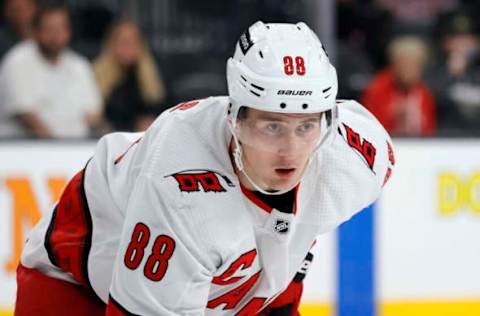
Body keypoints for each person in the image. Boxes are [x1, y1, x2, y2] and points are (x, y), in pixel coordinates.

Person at [15, 21, 395, 315]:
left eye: (306, 126)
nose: (290, 151)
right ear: (236, 120)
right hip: (75, 281)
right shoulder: (181, 190)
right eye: (271, 126)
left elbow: (291, 236)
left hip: (225, 288)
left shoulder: (354, 158)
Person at [0, 1, 101, 139]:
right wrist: (58, 147)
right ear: (35, 31)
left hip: (75, 150)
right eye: (49, 29)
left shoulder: (80, 65)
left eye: (60, 29)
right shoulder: (17, 61)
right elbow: (26, 117)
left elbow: (93, 115)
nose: (55, 36)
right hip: (23, 150)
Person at [93, 19, 166, 132]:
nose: (127, 47)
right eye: (123, 42)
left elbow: (162, 108)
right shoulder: (96, 75)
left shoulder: (152, 75)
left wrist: (151, 121)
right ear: (111, 44)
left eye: (132, 42)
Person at [361, 36, 436, 136]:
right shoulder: (376, 89)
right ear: (394, 65)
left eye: (415, 65)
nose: (410, 71)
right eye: (406, 64)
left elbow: (431, 129)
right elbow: (367, 126)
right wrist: (392, 115)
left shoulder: (425, 93)